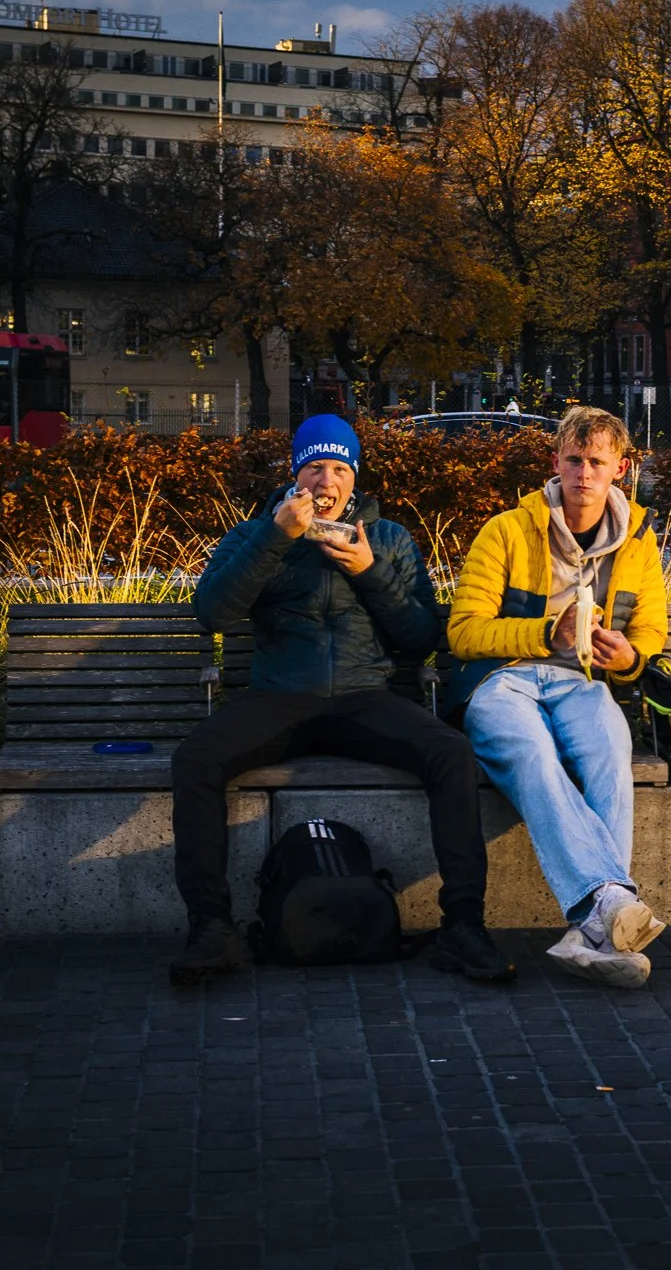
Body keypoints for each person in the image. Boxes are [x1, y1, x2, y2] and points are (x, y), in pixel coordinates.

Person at [168, 415, 513, 987]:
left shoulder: (389, 539)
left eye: (338, 469)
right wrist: (276, 537)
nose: (326, 482)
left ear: (354, 479)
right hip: (280, 698)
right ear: (295, 476)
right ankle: (211, 927)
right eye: (313, 468)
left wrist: (370, 572)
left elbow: (421, 638)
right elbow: (213, 613)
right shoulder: (260, 532)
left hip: (364, 699)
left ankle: (464, 926)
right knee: (196, 759)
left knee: (451, 753)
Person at [449, 406, 669, 989]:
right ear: (555, 463)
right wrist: (547, 633)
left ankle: (593, 934)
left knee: (609, 750)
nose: (584, 473)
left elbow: (649, 630)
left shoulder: (638, 544)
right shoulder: (506, 530)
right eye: (574, 459)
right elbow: (464, 632)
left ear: (620, 468)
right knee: (533, 757)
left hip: (581, 682)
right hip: (502, 681)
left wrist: (631, 657)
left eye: (597, 461)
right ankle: (610, 905)